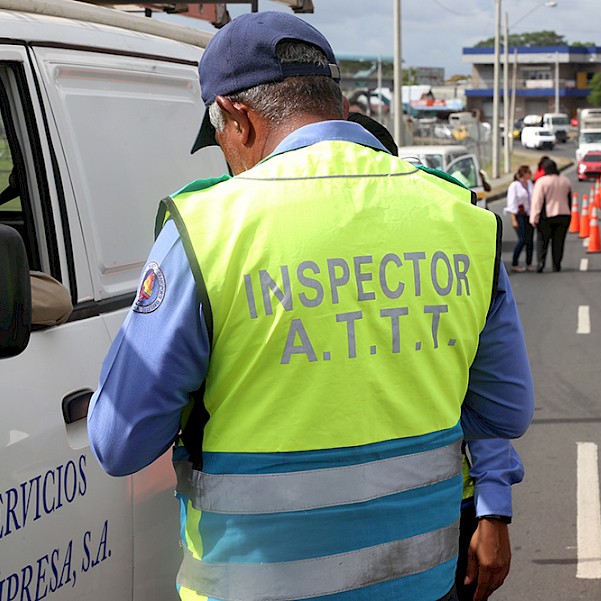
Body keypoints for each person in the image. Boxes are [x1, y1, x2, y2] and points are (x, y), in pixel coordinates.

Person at [87, 12, 534, 601]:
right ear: (337, 103)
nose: (226, 159)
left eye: (219, 137)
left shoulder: (208, 228)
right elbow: (507, 410)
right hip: (420, 583)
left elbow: (120, 443)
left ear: (238, 118)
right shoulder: (460, 216)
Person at [350, 112, 525, 601]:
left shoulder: (443, 245)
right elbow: (503, 405)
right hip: (403, 515)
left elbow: (486, 400)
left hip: (439, 509)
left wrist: (492, 510)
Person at [529, 158, 572, 272]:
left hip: (546, 217)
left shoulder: (542, 181)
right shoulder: (565, 181)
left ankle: (541, 263)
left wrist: (534, 217)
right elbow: (569, 199)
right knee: (559, 242)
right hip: (564, 215)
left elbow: (537, 201)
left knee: (542, 241)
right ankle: (556, 264)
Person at [504, 165, 534, 273]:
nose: (530, 174)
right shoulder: (515, 186)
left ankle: (529, 263)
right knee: (522, 239)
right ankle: (515, 263)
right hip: (519, 215)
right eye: (528, 172)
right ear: (524, 174)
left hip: (529, 215)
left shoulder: (530, 184)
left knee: (530, 240)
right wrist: (513, 219)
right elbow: (511, 203)